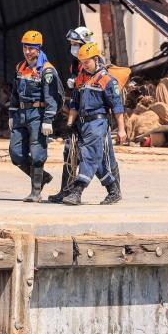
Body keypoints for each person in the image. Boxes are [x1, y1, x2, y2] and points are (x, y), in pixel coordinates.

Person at [63, 42, 126, 205]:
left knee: (89, 155)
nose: (84, 66)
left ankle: (77, 190)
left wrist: (121, 130)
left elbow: (117, 107)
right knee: (96, 160)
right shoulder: (81, 78)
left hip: (98, 124)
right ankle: (113, 190)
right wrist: (70, 125)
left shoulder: (107, 80)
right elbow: (74, 104)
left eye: (87, 62)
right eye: (82, 62)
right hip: (82, 124)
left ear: (96, 59)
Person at [8, 30, 62, 202]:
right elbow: (14, 94)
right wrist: (11, 114)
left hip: (37, 115)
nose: (27, 51)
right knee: (16, 153)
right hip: (20, 114)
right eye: (25, 47)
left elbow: (52, 97)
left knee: (37, 153)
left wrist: (48, 120)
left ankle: (36, 192)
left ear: (38, 49)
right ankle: (43, 177)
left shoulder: (46, 70)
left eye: (31, 48)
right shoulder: (20, 67)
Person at [47, 26, 94, 204]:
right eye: (72, 44)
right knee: (69, 151)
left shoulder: (95, 62)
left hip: (93, 118)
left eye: (76, 43)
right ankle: (66, 190)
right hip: (77, 113)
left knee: (96, 157)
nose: (73, 47)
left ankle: (113, 189)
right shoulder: (75, 63)